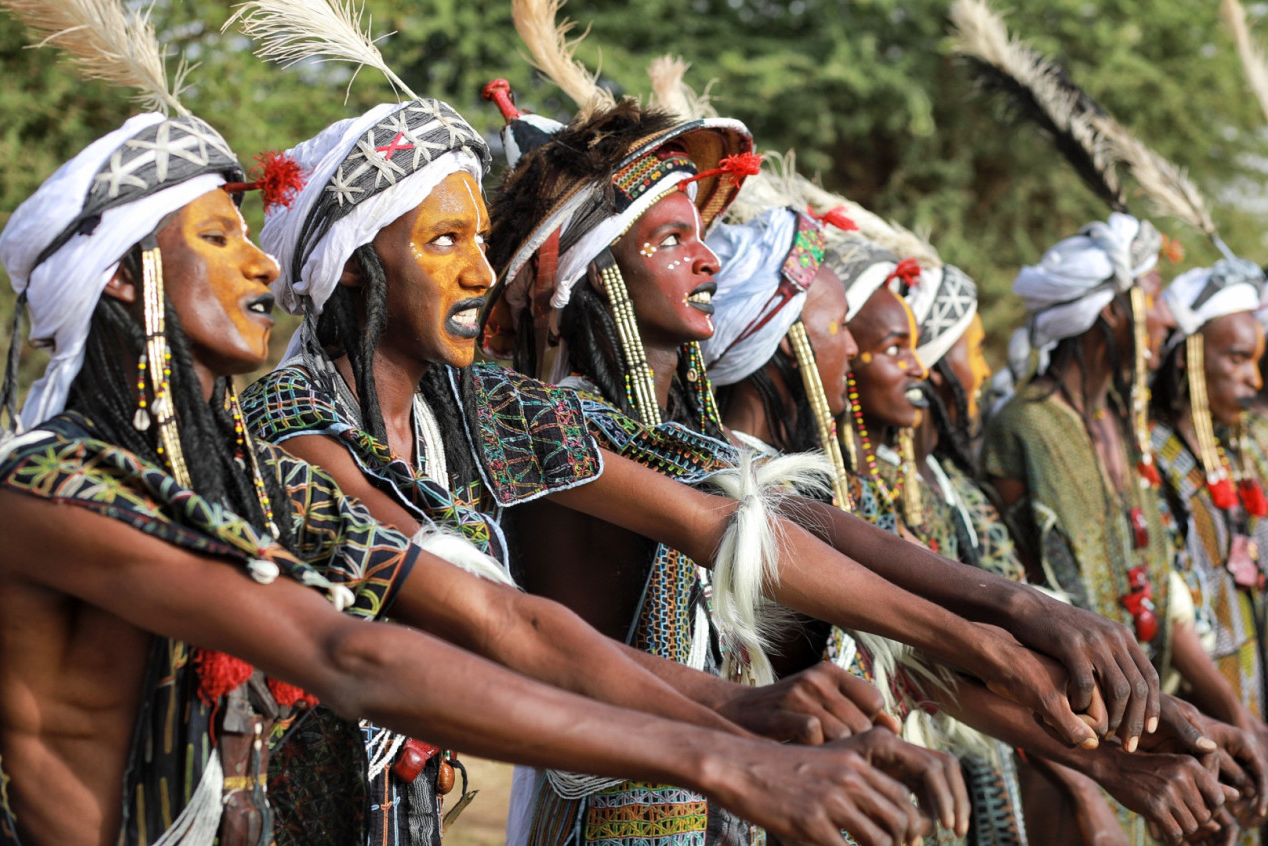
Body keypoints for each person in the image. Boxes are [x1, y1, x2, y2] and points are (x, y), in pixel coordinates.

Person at [0, 110, 983, 846]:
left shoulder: (256, 473)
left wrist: (748, 717)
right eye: (217, 239)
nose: (261, 266)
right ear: (119, 276)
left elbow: (516, 616)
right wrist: (722, 752)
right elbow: (354, 656)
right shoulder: (55, 488)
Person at [240, 97, 927, 844]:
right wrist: (732, 728)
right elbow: (502, 623)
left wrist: (1010, 622)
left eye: (479, 239)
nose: (479, 271)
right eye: (446, 240)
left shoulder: (465, 406)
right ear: (352, 264)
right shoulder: (292, 420)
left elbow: (735, 514)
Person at [981, 215, 1268, 842]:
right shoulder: (1022, 430)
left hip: (1155, 727)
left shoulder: (1117, 421)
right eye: (1150, 299)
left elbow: (1163, 586)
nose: (1164, 321)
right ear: (1110, 314)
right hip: (1077, 742)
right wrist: (1087, 779)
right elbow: (1020, 611)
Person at [1150, 260, 1268, 738]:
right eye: (1237, 359)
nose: (1253, 380)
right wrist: (1238, 723)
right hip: (1203, 716)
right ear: (1190, 356)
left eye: (1256, 363)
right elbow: (1169, 610)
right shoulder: (1151, 456)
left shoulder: (1243, 448)